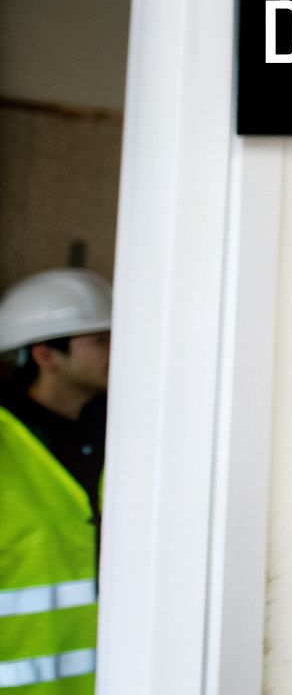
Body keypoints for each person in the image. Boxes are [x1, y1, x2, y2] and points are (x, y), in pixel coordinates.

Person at [0, 268, 112, 694]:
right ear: (47, 355)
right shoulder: (7, 445)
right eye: (100, 340)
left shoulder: (119, 434)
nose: (115, 351)